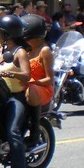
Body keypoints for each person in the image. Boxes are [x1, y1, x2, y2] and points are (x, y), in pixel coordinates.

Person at [0, 15, 32, 168]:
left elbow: (27, 74)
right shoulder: (0, 51)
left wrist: (11, 73)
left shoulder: (19, 52)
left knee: (13, 131)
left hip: (15, 97)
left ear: (7, 34)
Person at [22, 14, 54, 146]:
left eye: (28, 38)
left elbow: (49, 79)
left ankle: (34, 132)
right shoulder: (24, 50)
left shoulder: (45, 50)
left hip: (41, 88)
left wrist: (33, 82)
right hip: (23, 85)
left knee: (30, 90)